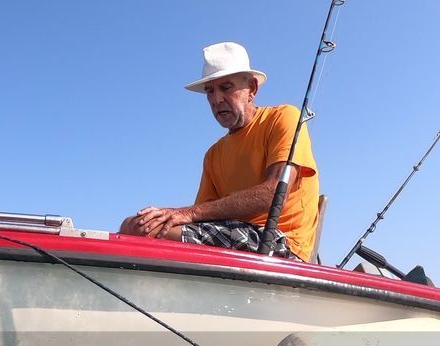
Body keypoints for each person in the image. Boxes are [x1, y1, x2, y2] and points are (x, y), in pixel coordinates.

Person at [120, 42, 320, 261]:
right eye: (210, 92)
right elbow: (202, 218)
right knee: (134, 225)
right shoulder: (213, 154)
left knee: (148, 230)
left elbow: (272, 194)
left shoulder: (283, 118)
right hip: (233, 236)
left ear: (252, 89)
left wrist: (186, 212)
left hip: (281, 242)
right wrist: (165, 216)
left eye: (226, 87)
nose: (216, 100)